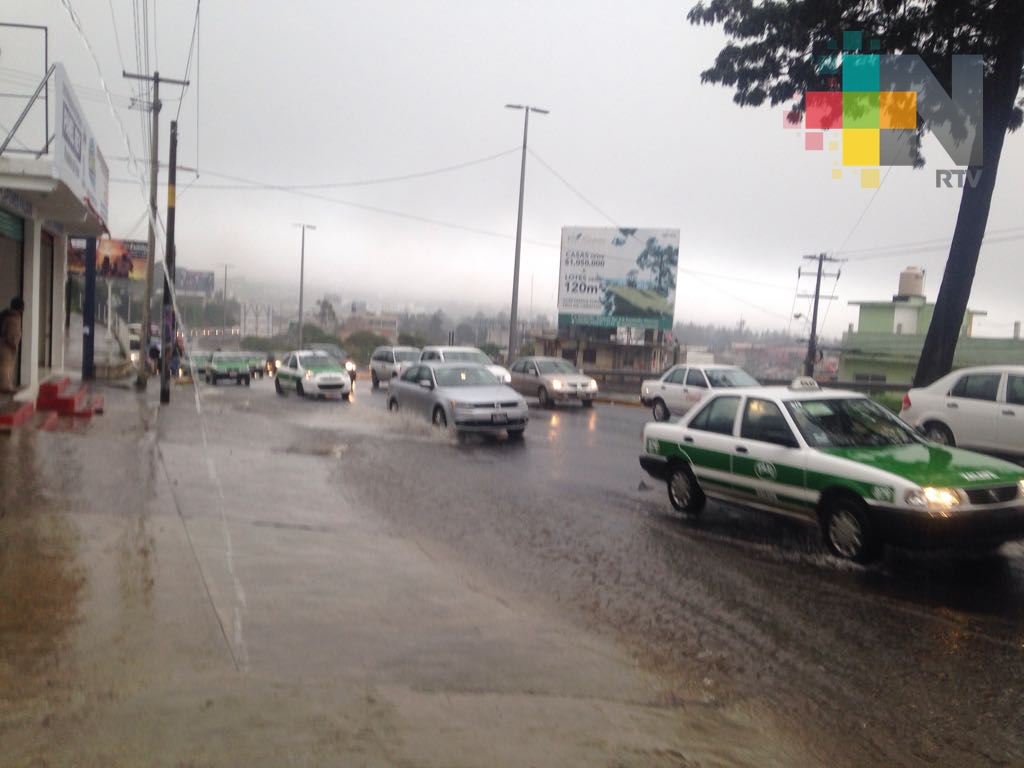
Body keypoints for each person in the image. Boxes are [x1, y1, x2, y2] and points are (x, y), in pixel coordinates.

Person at [0, 297, 25, 393]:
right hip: (6, 347)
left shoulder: (5, 314)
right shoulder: (15, 318)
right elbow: (12, 335)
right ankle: (5, 387)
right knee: (5, 366)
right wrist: (14, 345)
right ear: (20, 308)